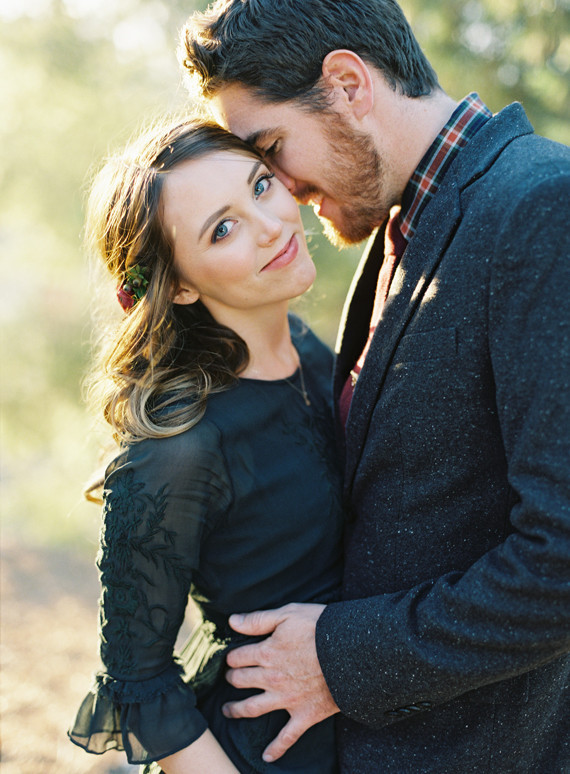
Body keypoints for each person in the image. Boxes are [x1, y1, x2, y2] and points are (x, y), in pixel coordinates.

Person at [179, 1, 570, 772]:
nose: (282, 191)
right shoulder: (405, 221)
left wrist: (337, 657)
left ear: (349, 85)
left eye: (272, 149)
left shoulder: (539, 207)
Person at [67, 118, 345, 773]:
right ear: (182, 286)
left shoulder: (308, 348)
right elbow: (137, 686)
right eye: (222, 228)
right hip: (267, 753)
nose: (272, 225)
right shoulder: (178, 443)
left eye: (260, 187)